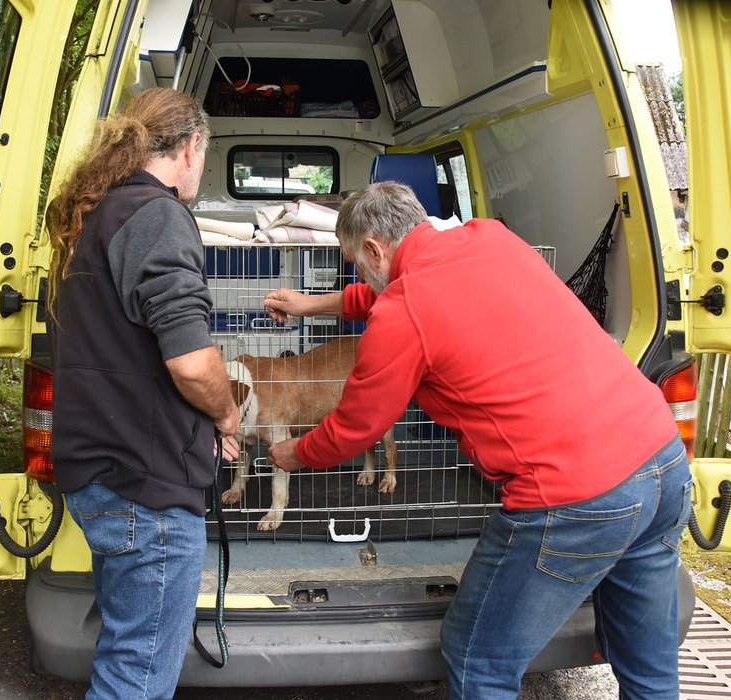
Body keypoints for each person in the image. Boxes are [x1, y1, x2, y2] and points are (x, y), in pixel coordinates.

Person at [264, 181, 691, 699]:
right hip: (661, 460)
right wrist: (313, 306)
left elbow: (357, 426)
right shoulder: (491, 238)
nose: (360, 275)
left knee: (478, 656)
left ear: (374, 249)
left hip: (574, 498)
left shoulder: (402, 312)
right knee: (648, 666)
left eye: (356, 262)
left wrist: (292, 451)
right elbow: (394, 286)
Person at [46, 87, 240, 700]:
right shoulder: (157, 215)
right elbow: (189, 360)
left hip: (99, 473)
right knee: (137, 678)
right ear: (189, 148)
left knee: (124, 651)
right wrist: (227, 413)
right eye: (202, 157)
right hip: (145, 489)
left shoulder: (95, 213)